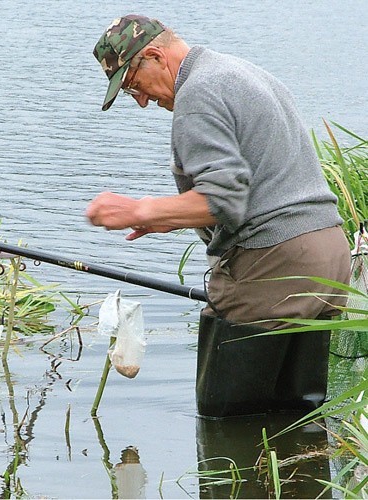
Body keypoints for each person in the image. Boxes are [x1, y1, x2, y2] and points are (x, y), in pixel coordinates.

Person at [87, 15, 351, 418]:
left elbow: (224, 198)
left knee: (224, 424)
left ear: (155, 56)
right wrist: (169, 217)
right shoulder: (239, 71)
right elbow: (259, 182)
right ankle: (302, 481)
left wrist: (139, 209)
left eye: (134, 85)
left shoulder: (198, 95)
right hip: (328, 258)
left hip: (272, 265)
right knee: (298, 421)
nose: (141, 100)